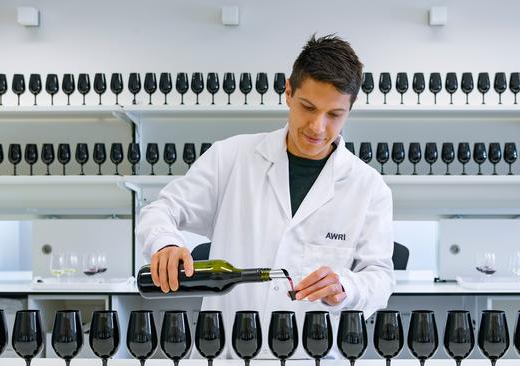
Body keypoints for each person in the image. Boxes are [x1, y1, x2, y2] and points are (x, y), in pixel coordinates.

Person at [136, 34, 394, 359]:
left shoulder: (368, 187)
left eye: (334, 115)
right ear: (288, 92)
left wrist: (346, 286)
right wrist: (166, 243)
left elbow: (380, 277)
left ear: (350, 109)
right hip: (225, 352)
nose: (318, 126)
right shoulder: (232, 157)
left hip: (312, 355)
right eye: (308, 107)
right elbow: (161, 210)